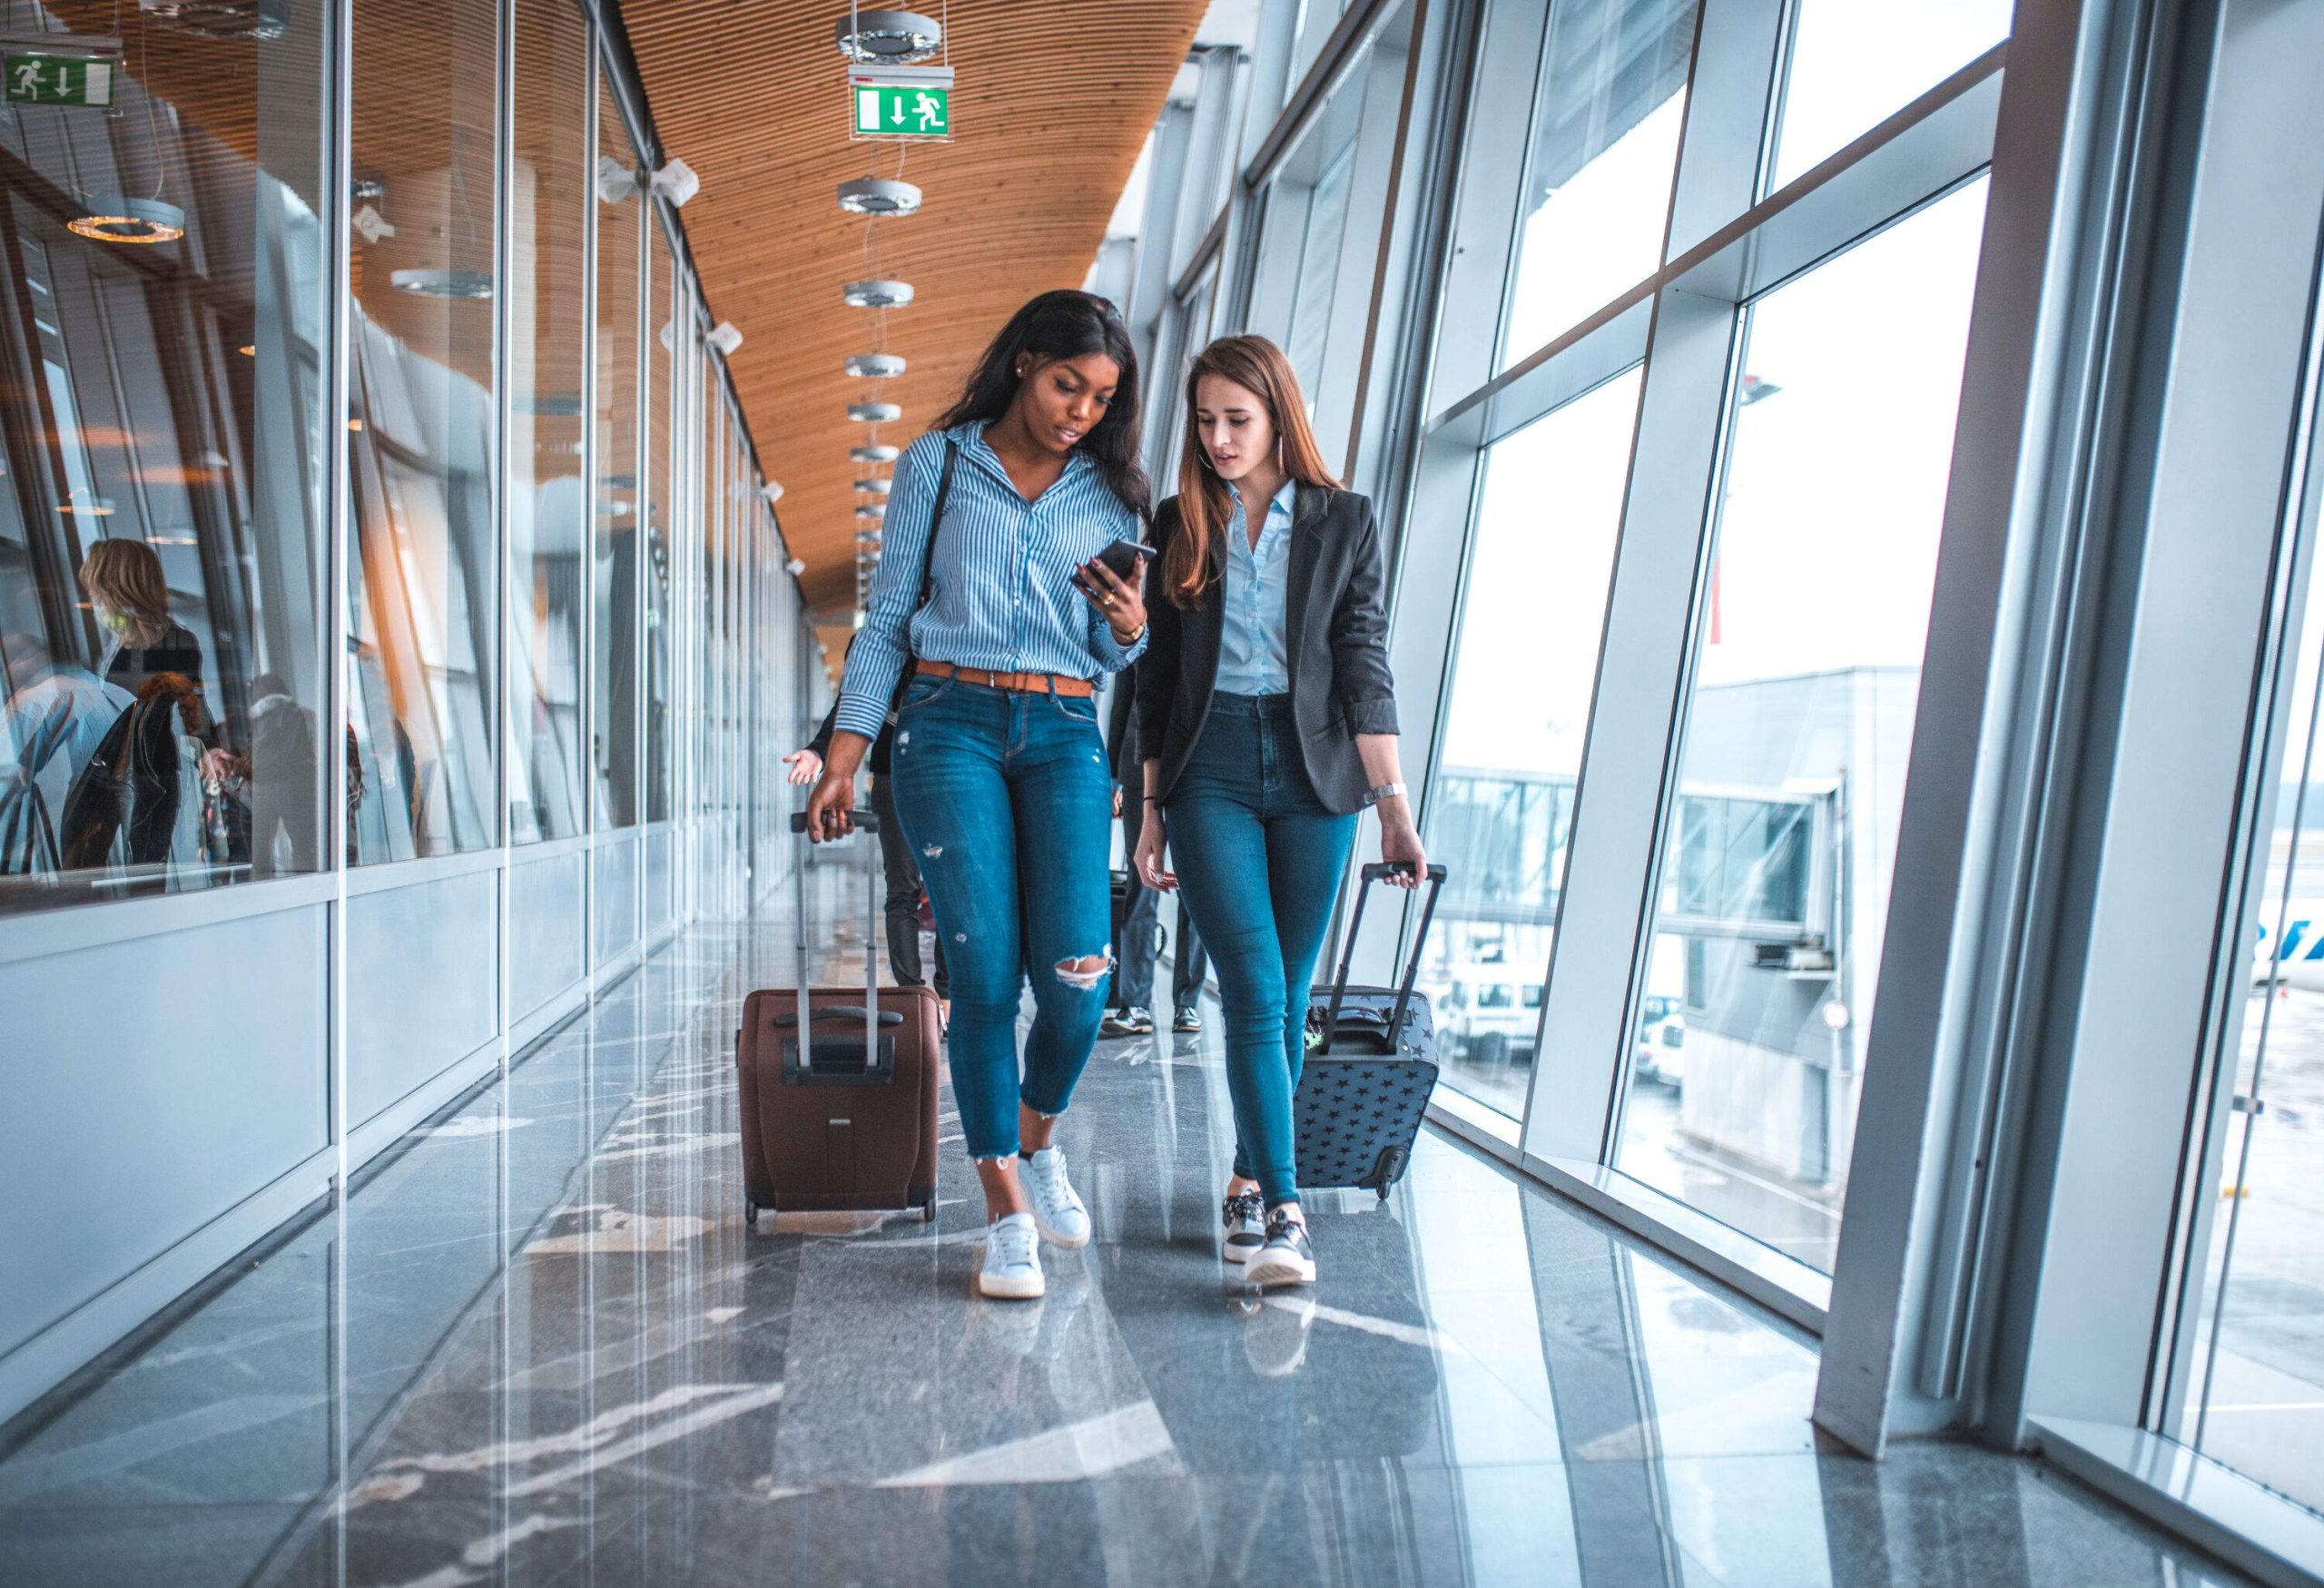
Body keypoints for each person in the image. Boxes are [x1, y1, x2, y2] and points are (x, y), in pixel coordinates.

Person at [805, 290, 1152, 1302]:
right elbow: (886, 622)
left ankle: (1037, 1143)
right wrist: (842, 748)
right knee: (984, 975)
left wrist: (1130, 626)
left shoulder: (1111, 493)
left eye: (1098, 397)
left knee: (1081, 982)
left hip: (1060, 729)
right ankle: (1003, 1207)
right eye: (1065, 385)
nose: (1079, 411)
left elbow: (1111, 649)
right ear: (1023, 363)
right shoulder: (940, 463)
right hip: (946, 725)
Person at [1134, 334, 1424, 1290]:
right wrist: (1145, 813)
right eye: (1205, 420)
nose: (1218, 438)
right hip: (1207, 765)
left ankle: (1248, 1179)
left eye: (1237, 420)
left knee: (1288, 1000)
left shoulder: (1345, 520)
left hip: (1318, 778)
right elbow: (1155, 679)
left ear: (1277, 417)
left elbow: (1362, 663)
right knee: (1255, 989)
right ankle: (1287, 1217)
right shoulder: (1180, 520)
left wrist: (1392, 807)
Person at [787, 664, 950, 1007]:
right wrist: (819, 752)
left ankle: (947, 998)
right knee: (903, 886)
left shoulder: (956, 640)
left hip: (954, 772)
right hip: (893, 773)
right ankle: (914, 996)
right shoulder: (886, 643)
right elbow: (852, 704)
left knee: (950, 892)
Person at [1099, 673, 1206, 1036]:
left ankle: (1188, 1005)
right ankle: (1134, 1004)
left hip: (1198, 766)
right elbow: (1123, 699)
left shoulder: (1204, 623)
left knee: (1198, 889)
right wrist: (1113, 776)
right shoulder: (1143, 620)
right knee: (1140, 885)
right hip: (1137, 765)